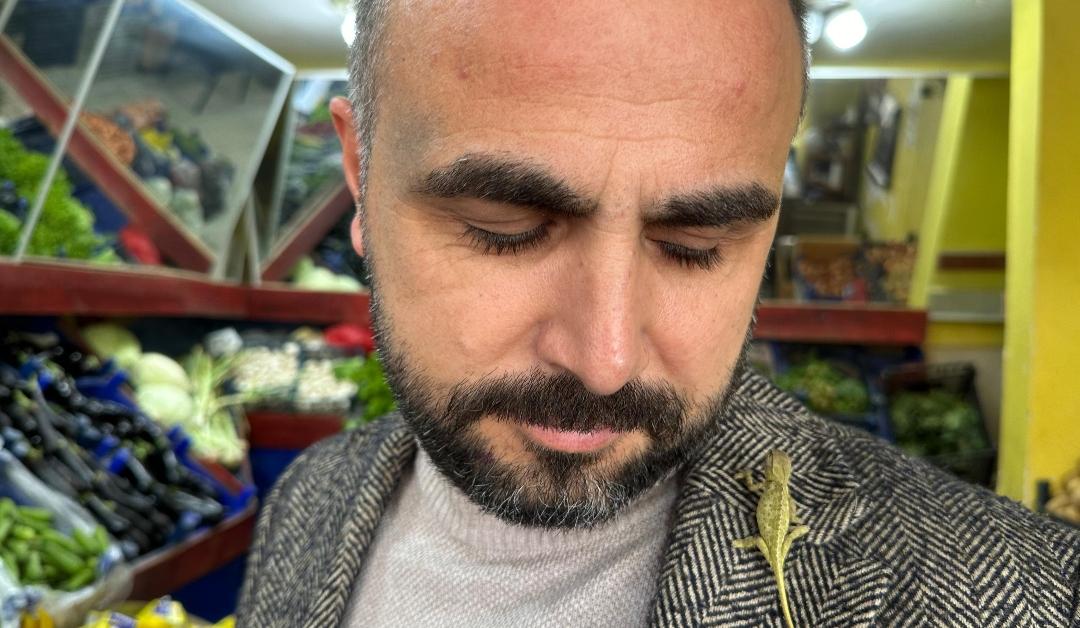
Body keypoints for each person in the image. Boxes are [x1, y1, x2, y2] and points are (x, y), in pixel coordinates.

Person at [237, 1, 1080, 626]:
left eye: (697, 242)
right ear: (358, 170)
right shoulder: (307, 501)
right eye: (506, 230)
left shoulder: (1022, 595)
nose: (604, 360)